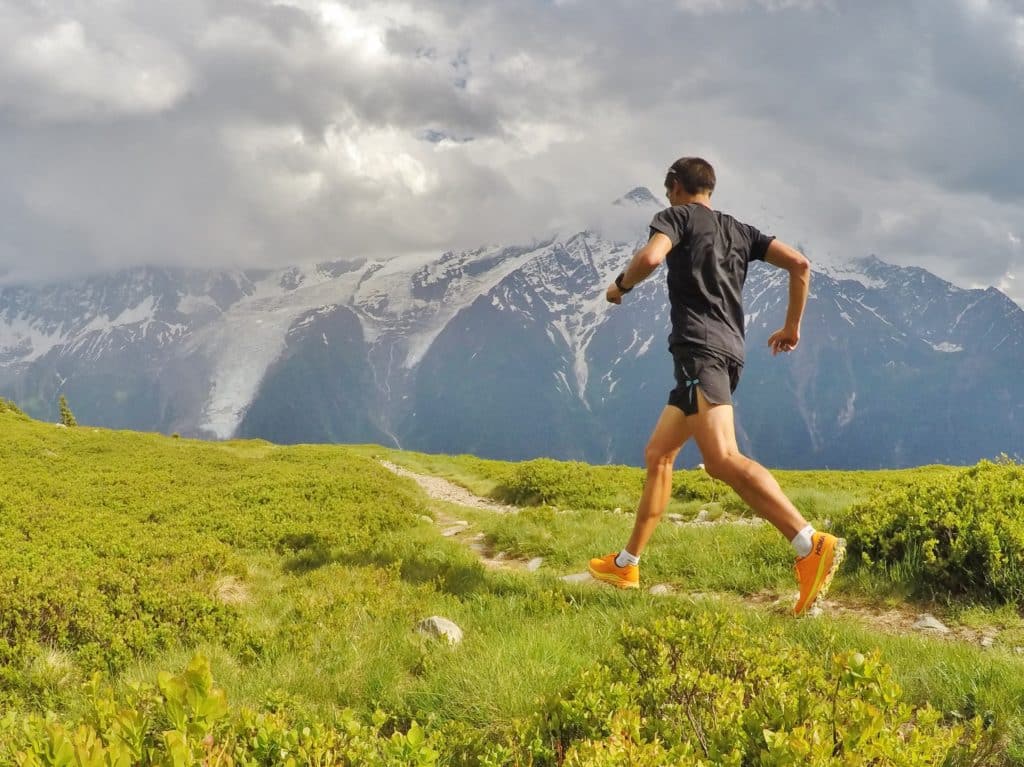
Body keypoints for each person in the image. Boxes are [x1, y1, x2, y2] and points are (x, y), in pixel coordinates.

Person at [587, 156, 844, 615]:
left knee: (722, 459)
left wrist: (619, 287)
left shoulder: (676, 216)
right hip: (726, 354)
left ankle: (810, 544)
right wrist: (792, 327)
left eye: (668, 190)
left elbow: (650, 257)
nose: (667, 196)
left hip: (699, 354)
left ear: (674, 185)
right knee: (659, 454)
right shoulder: (739, 230)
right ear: (711, 188)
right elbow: (800, 265)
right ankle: (627, 564)